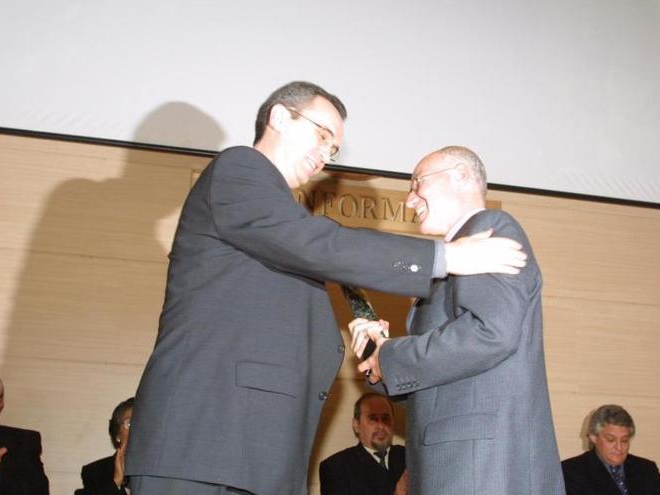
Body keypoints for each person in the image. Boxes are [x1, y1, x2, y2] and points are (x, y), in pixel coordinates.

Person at [124, 81, 527, 495]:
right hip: (207, 441)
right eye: (322, 135)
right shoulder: (240, 168)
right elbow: (316, 244)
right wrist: (444, 258)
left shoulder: (281, 217)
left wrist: (378, 351)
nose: (325, 155)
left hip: (246, 451)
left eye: (333, 149)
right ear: (280, 116)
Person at [349, 146, 565, 495]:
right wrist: (379, 358)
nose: (410, 200)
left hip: (480, 464)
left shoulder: (491, 229)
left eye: (418, 183)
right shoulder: (457, 259)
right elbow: (451, 375)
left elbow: (491, 333)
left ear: (462, 176)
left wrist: (394, 356)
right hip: (459, 460)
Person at [561, 404, 660, 495]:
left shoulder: (647, 470)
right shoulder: (570, 472)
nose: (619, 447)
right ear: (593, 437)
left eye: (625, 440)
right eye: (610, 440)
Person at [319, 393, 406, 495]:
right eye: (373, 419)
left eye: (385, 418)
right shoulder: (336, 467)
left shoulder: (409, 458)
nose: (380, 426)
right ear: (356, 425)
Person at [76, 397, 134, 495]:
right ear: (117, 434)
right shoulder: (96, 473)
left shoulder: (164, 470)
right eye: (130, 423)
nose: (137, 429)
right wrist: (115, 483)